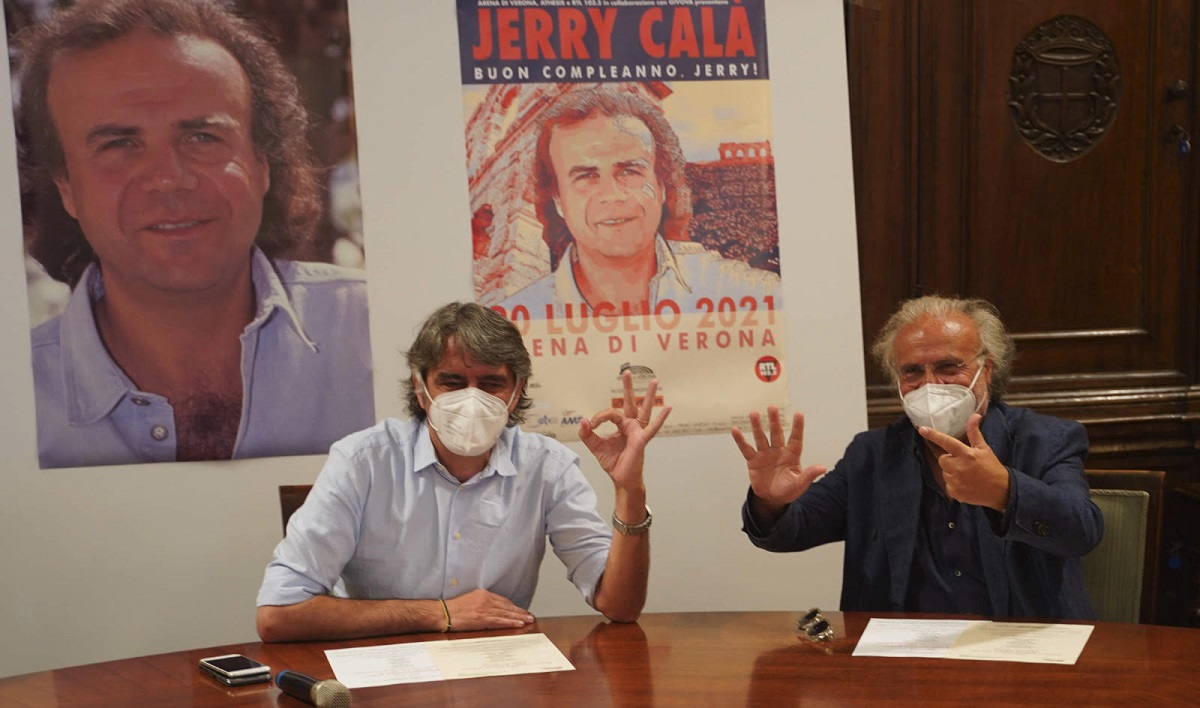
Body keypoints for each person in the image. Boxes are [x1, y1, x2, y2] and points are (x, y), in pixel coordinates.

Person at [15, 0, 374, 468]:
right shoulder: (16, 404)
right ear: (65, 187)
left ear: (263, 162)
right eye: (119, 144)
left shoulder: (385, 335)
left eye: (202, 137)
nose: (168, 178)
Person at [256, 302, 671, 641]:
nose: (472, 401)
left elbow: (619, 606)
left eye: (491, 384)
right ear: (421, 389)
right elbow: (278, 614)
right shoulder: (363, 461)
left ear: (516, 392)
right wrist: (439, 614)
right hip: (385, 673)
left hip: (497, 675)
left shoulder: (547, 467)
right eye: (452, 383)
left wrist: (630, 491)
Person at [732, 295, 1103, 619]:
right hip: (902, 656)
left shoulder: (1045, 440)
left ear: (986, 370)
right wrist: (771, 502)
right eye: (912, 371)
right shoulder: (872, 455)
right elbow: (792, 531)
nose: (930, 384)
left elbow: (1082, 532)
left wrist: (1004, 492)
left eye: (948, 367)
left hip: (1020, 648)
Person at [498, 87, 778, 317]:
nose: (612, 195)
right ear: (558, 201)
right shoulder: (516, 320)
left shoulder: (742, 292)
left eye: (629, 171)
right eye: (586, 176)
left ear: (662, 185)